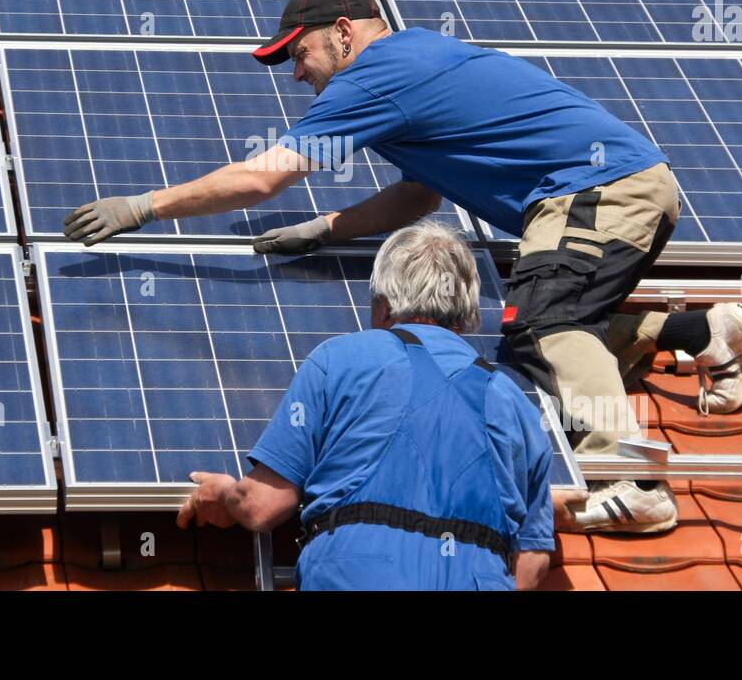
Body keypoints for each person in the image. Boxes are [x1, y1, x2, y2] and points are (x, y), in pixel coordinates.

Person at [67, 0, 742, 533]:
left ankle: (633, 478)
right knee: (535, 330)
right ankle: (704, 332)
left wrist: (144, 207)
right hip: (610, 193)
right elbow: (420, 197)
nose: (296, 74)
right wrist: (327, 230)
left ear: (343, 34)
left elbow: (262, 175)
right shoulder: (415, 69)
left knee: (547, 324)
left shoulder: (376, 76)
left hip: (593, 191)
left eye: (298, 54)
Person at [176, 221, 554, 590]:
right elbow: (533, 560)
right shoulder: (517, 406)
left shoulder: (340, 359)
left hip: (355, 573)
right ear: (468, 311)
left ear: (384, 305)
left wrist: (225, 494)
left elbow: (263, 505)